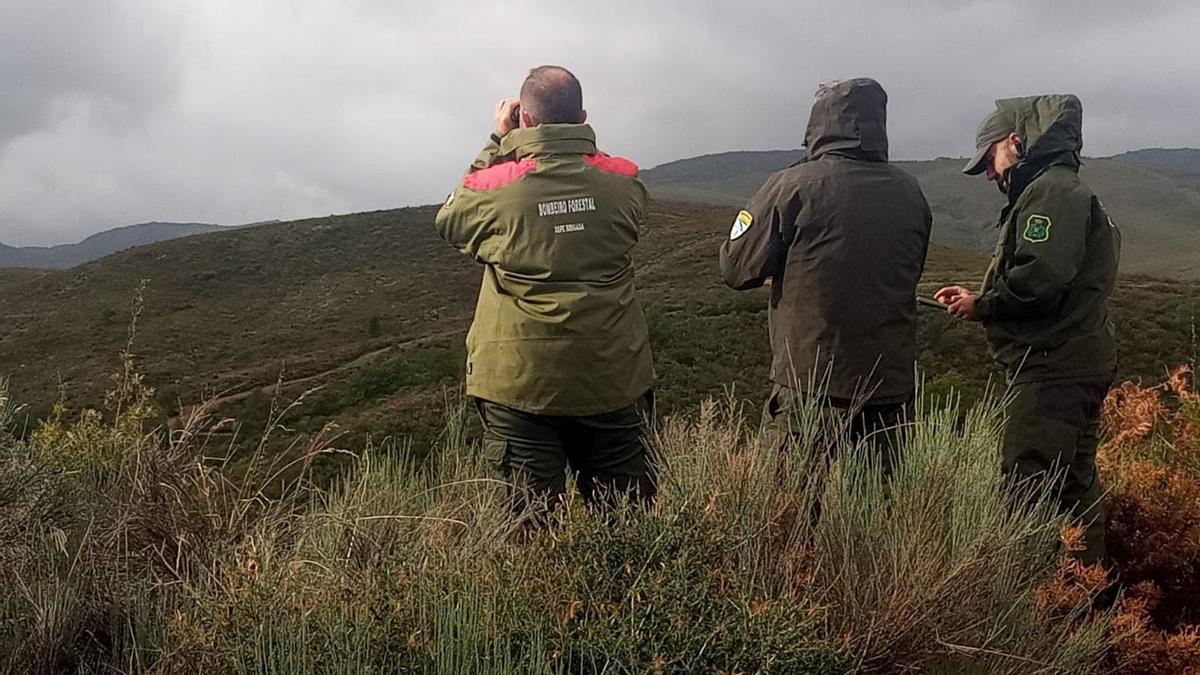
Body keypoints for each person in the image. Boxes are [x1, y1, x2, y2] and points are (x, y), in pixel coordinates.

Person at [434, 65, 656, 517]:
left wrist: (499, 142)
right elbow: (617, 190)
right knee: (629, 523)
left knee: (531, 524)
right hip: (612, 375)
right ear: (584, 118)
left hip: (520, 382)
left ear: (525, 121)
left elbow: (451, 219)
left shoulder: (497, 188)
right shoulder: (624, 182)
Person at [935, 94, 1120, 566]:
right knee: (1076, 489)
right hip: (1071, 364)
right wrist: (982, 299)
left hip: (1051, 368)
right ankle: (1088, 607)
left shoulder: (1053, 193)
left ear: (1015, 142)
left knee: (1027, 491)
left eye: (990, 160)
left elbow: (1041, 280)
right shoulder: (1059, 190)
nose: (991, 175)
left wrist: (985, 306)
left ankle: (1031, 609)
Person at [719, 78, 932, 462]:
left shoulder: (793, 185)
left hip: (811, 384)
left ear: (819, 126)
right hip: (889, 388)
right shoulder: (910, 192)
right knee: (883, 510)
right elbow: (910, 269)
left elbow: (736, 268)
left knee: (792, 513)